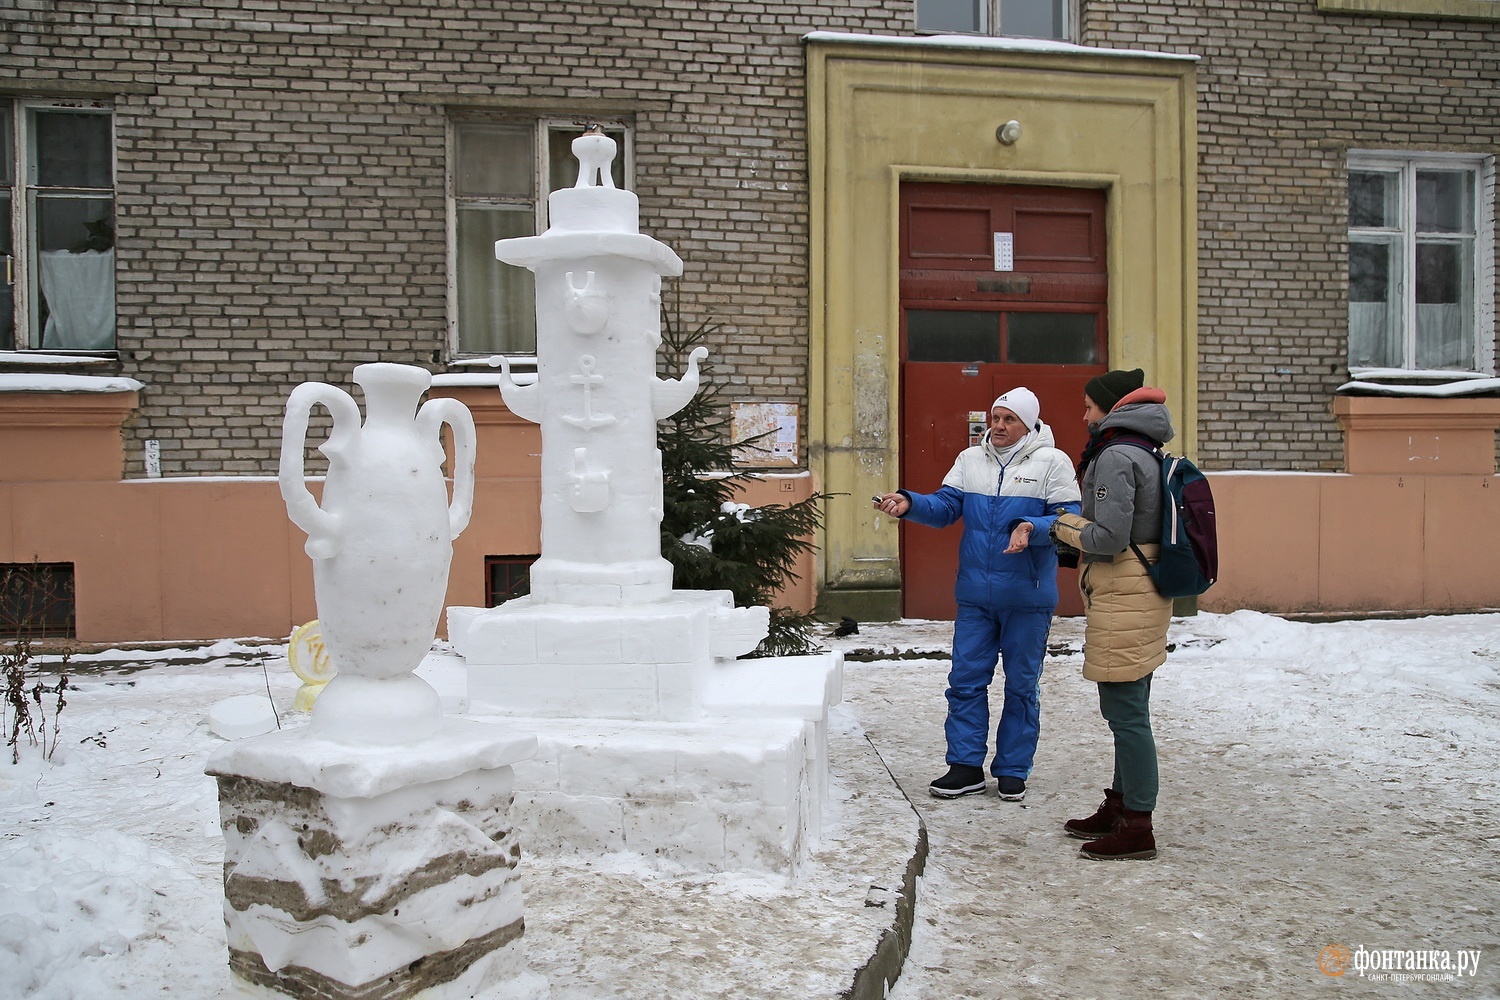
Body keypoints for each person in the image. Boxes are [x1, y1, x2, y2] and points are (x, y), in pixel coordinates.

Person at [874, 388, 1081, 802]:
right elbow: (946, 505)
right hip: (975, 597)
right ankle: (965, 766)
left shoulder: (1052, 462)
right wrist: (909, 503)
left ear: (1028, 424)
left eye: (1009, 420)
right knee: (965, 682)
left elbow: (1067, 520)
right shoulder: (971, 460)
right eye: (996, 417)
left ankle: (1012, 768)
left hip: (1027, 598)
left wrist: (1031, 527)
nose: (999, 426)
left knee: (1022, 686)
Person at [1049, 368, 1174, 861]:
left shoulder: (1118, 454)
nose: (1084, 415)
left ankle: (1138, 824)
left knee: (1126, 712)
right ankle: (1121, 805)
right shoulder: (1145, 448)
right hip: (1141, 589)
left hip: (1126, 591)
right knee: (1128, 706)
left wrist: (1064, 524)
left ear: (1112, 408)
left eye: (1088, 407)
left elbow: (1109, 538)